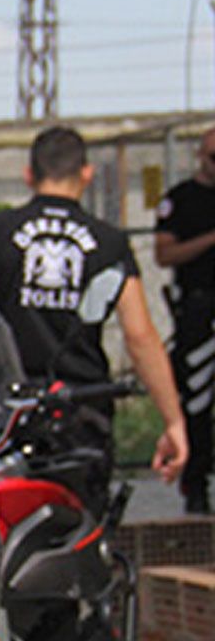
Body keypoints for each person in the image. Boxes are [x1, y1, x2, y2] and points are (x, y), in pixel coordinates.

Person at [0, 126, 188, 515]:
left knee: (4, 517)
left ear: (29, 174)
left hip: (9, 411)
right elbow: (139, 336)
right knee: (82, 521)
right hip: (82, 408)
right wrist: (173, 421)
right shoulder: (108, 241)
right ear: (86, 174)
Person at [155, 125, 215, 513]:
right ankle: (196, 485)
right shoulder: (182, 200)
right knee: (196, 397)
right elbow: (164, 254)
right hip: (198, 309)